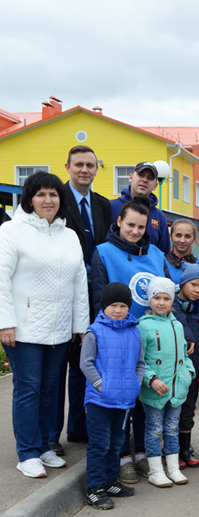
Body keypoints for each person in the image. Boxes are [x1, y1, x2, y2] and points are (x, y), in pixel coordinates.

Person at [0, 172, 89, 478]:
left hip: (60, 329)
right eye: (41, 194)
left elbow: (79, 282)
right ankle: (26, 452)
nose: (48, 200)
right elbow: (0, 278)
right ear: (29, 198)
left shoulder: (69, 235)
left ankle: (42, 446)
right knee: (28, 388)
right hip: (22, 328)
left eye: (53, 194)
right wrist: (5, 322)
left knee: (50, 389)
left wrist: (80, 325)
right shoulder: (12, 231)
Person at [91, 200, 176, 483]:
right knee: (121, 401)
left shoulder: (156, 254)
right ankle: (122, 458)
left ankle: (142, 453)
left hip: (151, 340)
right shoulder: (103, 252)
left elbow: (167, 296)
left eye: (141, 226)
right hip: (118, 339)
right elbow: (98, 298)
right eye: (130, 225)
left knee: (146, 401)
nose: (136, 231)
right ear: (119, 222)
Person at [50, 145, 112, 454]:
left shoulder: (102, 205)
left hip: (95, 294)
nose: (84, 169)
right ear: (68, 166)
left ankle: (79, 427)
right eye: (79, 164)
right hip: (63, 294)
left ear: (96, 168)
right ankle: (52, 434)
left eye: (90, 164)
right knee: (60, 365)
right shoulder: (54, 201)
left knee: (86, 360)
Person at [80, 283, 144, 509]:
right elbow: (86, 363)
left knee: (117, 442)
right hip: (100, 400)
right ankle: (94, 487)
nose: (118, 310)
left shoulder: (134, 331)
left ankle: (109, 481)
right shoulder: (94, 331)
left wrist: (136, 384)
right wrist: (100, 385)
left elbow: (140, 363)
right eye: (113, 305)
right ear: (104, 306)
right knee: (99, 444)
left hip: (125, 400)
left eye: (123, 305)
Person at [137, 277, 195, 487]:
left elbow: (185, 355)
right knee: (154, 429)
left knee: (172, 428)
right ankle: (155, 470)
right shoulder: (143, 326)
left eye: (166, 298)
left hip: (176, 389)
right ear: (150, 299)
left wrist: (188, 374)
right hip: (156, 390)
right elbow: (139, 359)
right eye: (157, 298)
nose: (161, 303)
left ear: (172, 301)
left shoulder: (177, 325)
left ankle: (173, 468)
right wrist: (151, 379)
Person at [175, 264, 199, 468]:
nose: (197, 290)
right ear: (182, 283)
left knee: (188, 408)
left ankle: (185, 449)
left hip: (193, 367)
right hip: (174, 368)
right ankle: (173, 450)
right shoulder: (172, 304)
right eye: (193, 284)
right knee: (173, 409)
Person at [109, 162, 170, 254]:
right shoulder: (110, 207)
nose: (144, 180)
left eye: (150, 178)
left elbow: (163, 253)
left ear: (155, 185)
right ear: (130, 177)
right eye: (141, 175)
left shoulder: (159, 216)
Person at [165, 218, 199, 282]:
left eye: (187, 236)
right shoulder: (161, 263)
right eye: (178, 235)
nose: (182, 240)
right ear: (171, 237)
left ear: (194, 239)